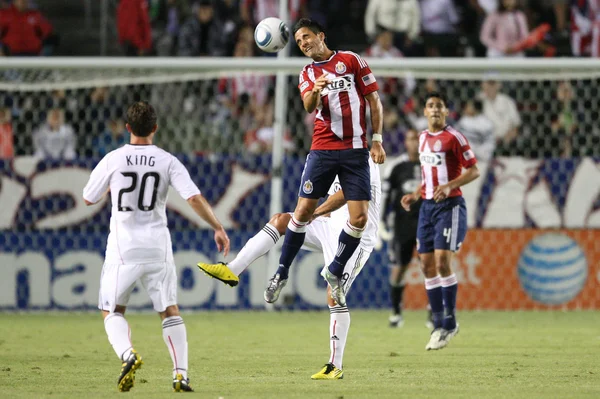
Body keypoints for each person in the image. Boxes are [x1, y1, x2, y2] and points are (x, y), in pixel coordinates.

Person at [82, 102, 230, 392]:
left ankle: (128, 355)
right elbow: (193, 198)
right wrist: (218, 227)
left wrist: (112, 188)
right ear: (155, 128)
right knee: (169, 310)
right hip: (157, 248)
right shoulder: (167, 160)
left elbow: (88, 198)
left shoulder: (114, 158)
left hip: (123, 249)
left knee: (111, 310)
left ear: (127, 128)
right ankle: (180, 375)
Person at [198, 157, 381, 380]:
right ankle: (232, 270)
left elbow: (347, 194)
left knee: (334, 296)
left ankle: (335, 365)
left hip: (356, 237)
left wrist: (315, 212)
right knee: (281, 220)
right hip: (328, 225)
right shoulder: (328, 152)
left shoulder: (362, 157)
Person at [262, 18, 386, 307]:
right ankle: (281, 273)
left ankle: (334, 269)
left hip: (356, 151)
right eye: (299, 41)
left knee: (359, 218)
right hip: (323, 150)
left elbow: (374, 100)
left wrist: (377, 139)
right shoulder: (307, 73)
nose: (303, 43)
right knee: (303, 211)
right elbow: (308, 105)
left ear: (321, 35)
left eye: (306, 37)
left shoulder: (351, 60)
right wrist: (316, 89)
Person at [401, 92, 480, 351]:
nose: (435, 109)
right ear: (424, 111)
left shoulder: (454, 137)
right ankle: (437, 324)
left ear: (446, 112)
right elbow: (428, 176)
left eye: (439, 106)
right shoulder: (423, 138)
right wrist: (415, 194)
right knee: (425, 264)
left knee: (443, 261)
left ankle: (450, 322)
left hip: (450, 206)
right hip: (426, 207)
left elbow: (474, 170)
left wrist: (449, 186)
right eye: (430, 106)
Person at [380, 129, 426, 328]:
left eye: (417, 139)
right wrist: (381, 220)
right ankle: (396, 313)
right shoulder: (396, 166)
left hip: (426, 222)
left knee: (429, 267)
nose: (414, 143)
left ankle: (433, 317)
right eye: (410, 139)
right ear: (405, 142)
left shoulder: (430, 165)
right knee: (399, 267)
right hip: (402, 223)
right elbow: (385, 196)